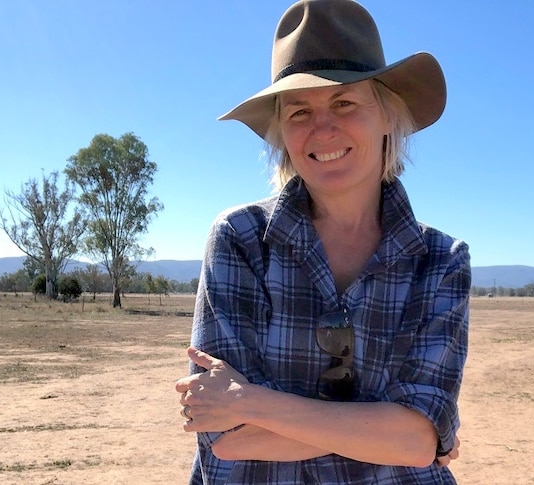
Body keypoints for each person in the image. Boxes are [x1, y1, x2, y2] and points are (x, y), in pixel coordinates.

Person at [175, 0, 471, 483]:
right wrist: (396, 434)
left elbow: (416, 439)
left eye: (344, 102)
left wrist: (251, 400)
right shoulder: (242, 240)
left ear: (388, 117)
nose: (322, 128)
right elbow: (228, 437)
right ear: (281, 134)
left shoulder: (440, 260)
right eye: (298, 111)